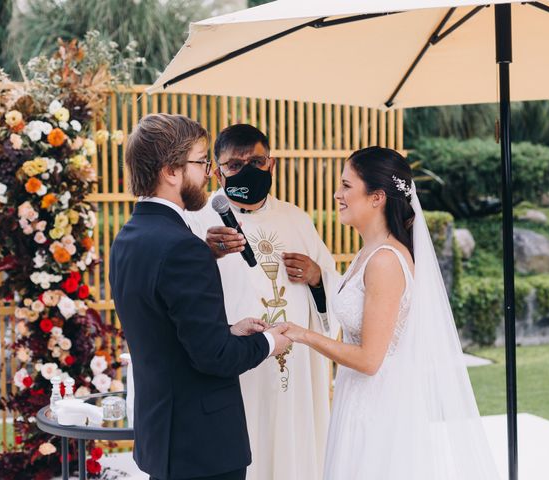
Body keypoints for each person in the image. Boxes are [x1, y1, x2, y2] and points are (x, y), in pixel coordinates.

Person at [284, 147, 501, 480]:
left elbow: (371, 359)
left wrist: (302, 334)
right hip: (356, 399)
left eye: (346, 186)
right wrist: (317, 278)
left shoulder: (384, 261)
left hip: (379, 409)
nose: (336, 194)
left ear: (377, 197)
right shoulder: (367, 253)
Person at [109, 114, 291, 480]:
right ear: (171, 172)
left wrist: (227, 328)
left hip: (163, 437)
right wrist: (272, 342)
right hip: (203, 448)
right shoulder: (183, 248)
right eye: (201, 161)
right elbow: (215, 358)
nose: (209, 172)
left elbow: (166, 328)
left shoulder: (127, 239)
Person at [185, 124, 339, 480]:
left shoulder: (296, 218)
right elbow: (182, 291)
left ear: (272, 165)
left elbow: (335, 294)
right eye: (235, 165)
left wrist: (317, 277)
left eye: (256, 161)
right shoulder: (198, 221)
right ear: (217, 169)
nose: (247, 171)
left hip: (293, 368)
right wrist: (204, 254)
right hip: (237, 368)